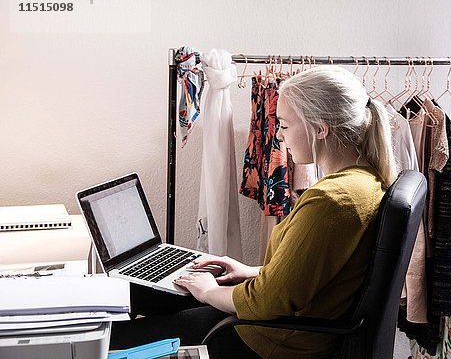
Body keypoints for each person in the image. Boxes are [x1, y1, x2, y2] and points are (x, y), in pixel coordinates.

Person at [110, 66, 397, 358]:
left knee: (113, 337)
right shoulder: (365, 182)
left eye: (284, 126)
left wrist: (210, 292)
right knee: (145, 294)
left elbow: (269, 301)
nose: (280, 136)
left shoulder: (333, 201)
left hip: (268, 340)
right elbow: (315, 272)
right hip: (278, 325)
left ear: (320, 129)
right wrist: (249, 272)